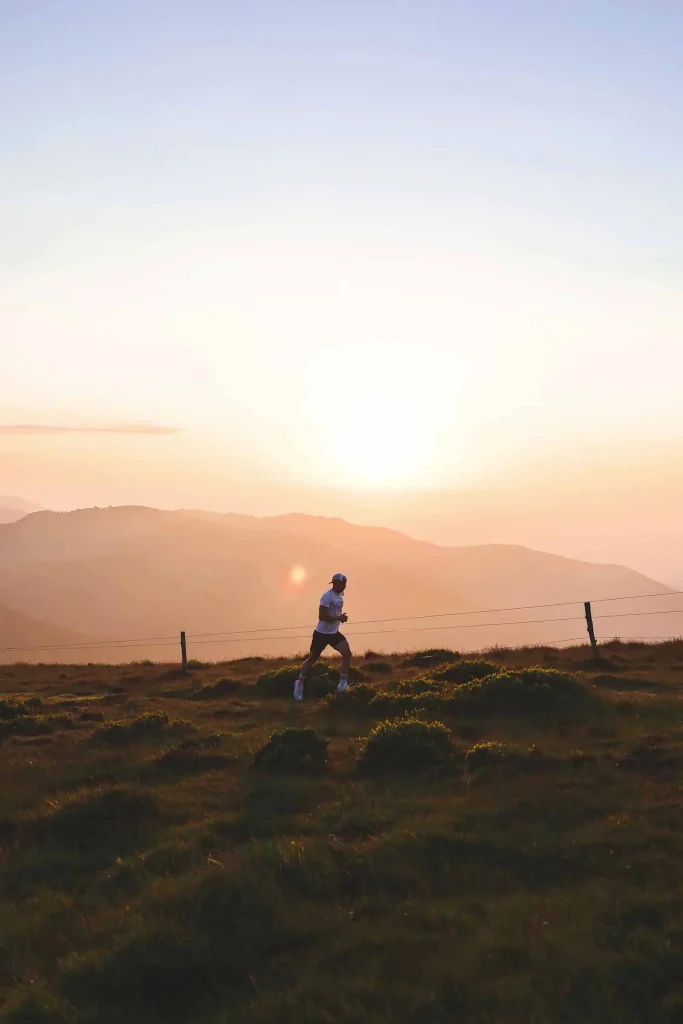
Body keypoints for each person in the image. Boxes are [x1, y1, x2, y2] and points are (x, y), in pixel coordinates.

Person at [294, 573, 351, 701]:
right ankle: (299, 684)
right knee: (312, 659)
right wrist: (338, 618)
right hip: (321, 634)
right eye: (343, 583)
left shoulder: (340, 595)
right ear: (335, 583)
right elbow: (322, 616)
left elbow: (335, 612)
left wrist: (340, 619)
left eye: (345, 583)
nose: (345, 586)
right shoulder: (327, 596)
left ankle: (342, 685)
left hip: (333, 633)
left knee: (347, 654)